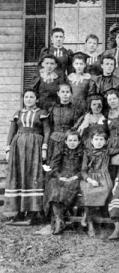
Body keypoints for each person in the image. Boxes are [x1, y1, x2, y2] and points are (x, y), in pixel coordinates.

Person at [4, 90, 50, 224]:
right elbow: (11, 132)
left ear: (36, 99)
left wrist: (44, 148)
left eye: (32, 97)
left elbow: (47, 131)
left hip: (35, 146)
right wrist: (8, 149)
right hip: (18, 147)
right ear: (23, 99)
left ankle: (32, 212)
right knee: (19, 176)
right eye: (26, 97)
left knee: (32, 175)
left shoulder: (41, 113)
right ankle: (18, 212)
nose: (28, 99)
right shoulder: (18, 114)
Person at [80, 128, 119, 237]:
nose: (98, 142)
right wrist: (90, 180)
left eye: (101, 139)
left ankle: (87, 215)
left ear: (105, 142)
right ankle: (90, 224)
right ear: (92, 141)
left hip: (104, 177)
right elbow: (83, 170)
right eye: (96, 139)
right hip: (90, 178)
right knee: (88, 192)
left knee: (106, 190)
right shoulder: (87, 153)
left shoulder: (107, 151)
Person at [44, 129, 83, 235]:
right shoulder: (61, 151)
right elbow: (54, 166)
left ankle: (59, 221)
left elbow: (84, 169)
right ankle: (59, 220)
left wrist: (76, 177)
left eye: (75, 140)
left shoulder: (82, 152)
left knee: (69, 187)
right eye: (70, 140)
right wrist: (59, 176)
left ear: (79, 141)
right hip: (61, 176)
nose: (72, 143)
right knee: (53, 186)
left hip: (75, 178)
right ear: (65, 141)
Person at [47, 84, 83, 159]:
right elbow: (49, 126)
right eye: (62, 92)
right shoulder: (52, 109)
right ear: (58, 93)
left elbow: (77, 125)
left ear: (71, 94)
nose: (65, 94)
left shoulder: (76, 109)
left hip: (69, 140)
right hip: (54, 140)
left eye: (67, 92)